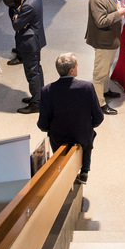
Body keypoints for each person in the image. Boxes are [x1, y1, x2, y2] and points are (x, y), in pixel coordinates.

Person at [38, 53, 103, 185]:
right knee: (88, 132)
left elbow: (43, 124)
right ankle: (85, 170)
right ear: (71, 70)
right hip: (82, 136)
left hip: (58, 139)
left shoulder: (46, 91)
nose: (78, 66)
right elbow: (98, 117)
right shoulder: (87, 87)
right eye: (77, 64)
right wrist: (88, 125)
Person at [86, 0, 125, 115]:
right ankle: (100, 103)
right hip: (103, 41)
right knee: (99, 72)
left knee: (107, 67)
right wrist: (119, 13)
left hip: (111, 39)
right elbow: (101, 21)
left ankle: (105, 91)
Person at [10, 0, 47, 114]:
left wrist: (16, 14)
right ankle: (39, 96)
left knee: (32, 73)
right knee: (36, 69)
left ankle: (36, 103)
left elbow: (16, 25)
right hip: (35, 40)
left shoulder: (28, 4)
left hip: (29, 43)